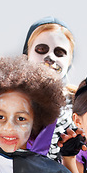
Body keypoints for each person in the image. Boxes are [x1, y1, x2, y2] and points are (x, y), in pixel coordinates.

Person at [23, 16, 76, 161]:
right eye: (41, 49)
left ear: (69, 61)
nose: (50, 57)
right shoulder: (11, 98)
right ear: (27, 54)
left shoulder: (81, 103)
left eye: (59, 53)